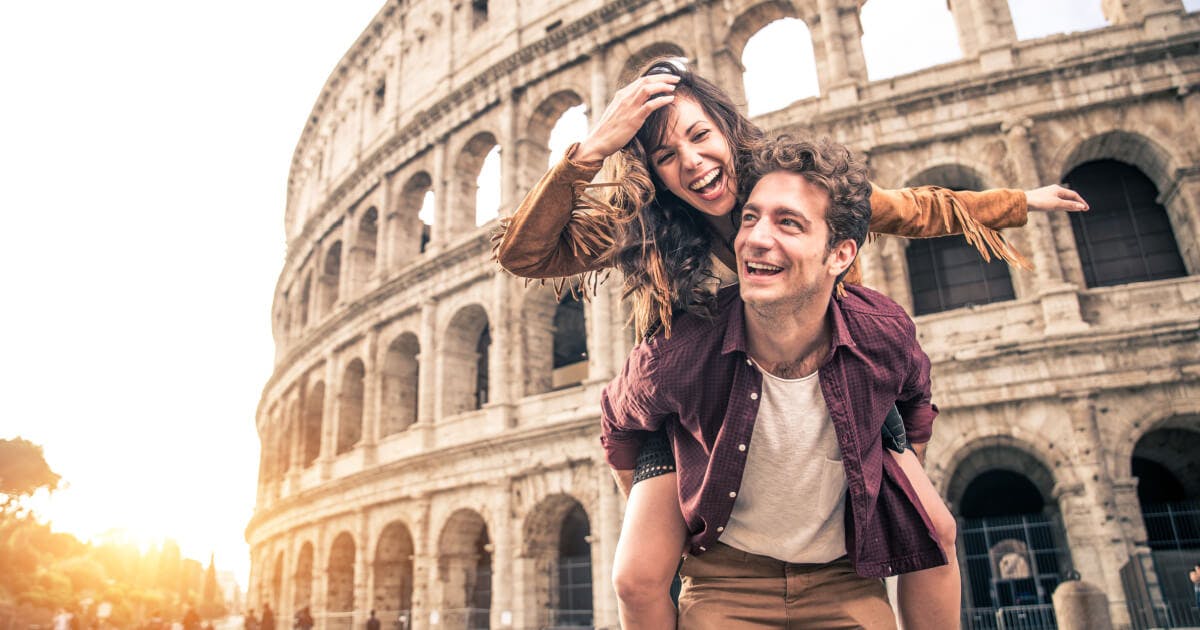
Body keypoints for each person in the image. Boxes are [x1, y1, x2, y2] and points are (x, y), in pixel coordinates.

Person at [494, 57, 1087, 629]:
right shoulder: (645, 220)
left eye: (701, 137)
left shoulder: (795, 187)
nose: (694, 164)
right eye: (668, 157)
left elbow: (910, 208)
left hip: (834, 376)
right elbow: (525, 254)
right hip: (700, 403)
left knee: (937, 527)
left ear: (727, 125)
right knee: (638, 572)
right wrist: (593, 149)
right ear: (651, 171)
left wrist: (1019, 201)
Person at [601, 135, 940, 627]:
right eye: (750, 218)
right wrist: (656, 504)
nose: (756, 238)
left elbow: (916, 398)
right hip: (725, 580)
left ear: (841, 255)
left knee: (940, 532)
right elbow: (618, 420)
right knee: (632, 578)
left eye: (788, 223)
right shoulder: (679, 350)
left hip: (843, 578)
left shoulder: (881, 334)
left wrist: (899, 474)